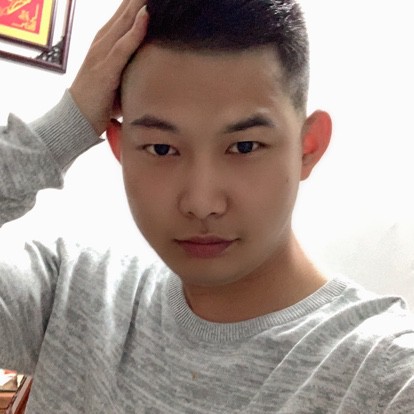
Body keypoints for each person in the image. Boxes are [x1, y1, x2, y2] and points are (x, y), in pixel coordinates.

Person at [1, 0, 413, 412]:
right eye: (162, 148)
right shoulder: (69, 294)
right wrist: (67, 124)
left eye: (244, 147)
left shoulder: (382, 371)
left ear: (307, 148)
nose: (202, 203)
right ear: (120, 148)